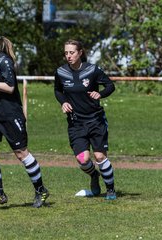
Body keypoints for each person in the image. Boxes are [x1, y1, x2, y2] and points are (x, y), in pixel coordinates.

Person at [0, 27, 49, 208]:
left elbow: (10, 87)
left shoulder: (5, 61)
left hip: (10, 116)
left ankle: (41, 189)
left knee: (21, 154)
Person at [54, 39, 117, 200]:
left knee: (100, 157)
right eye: (66, 53)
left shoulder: (92, 70)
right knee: (83, 159)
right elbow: (58, 91)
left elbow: (110, 86)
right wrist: (64, 102)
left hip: (96, 120)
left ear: (80, 52)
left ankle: (110, 189)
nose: (68, 56)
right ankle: (94, 176)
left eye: (72, 52)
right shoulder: (61, 72)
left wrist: (100, 94)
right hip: (76, 123)